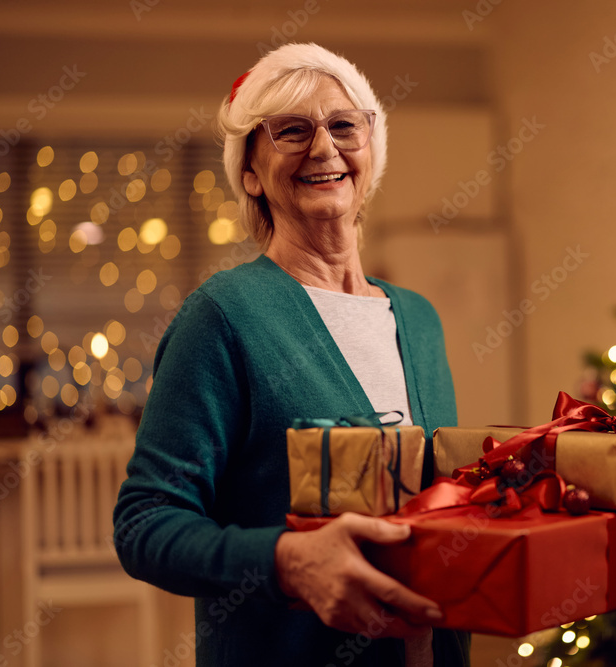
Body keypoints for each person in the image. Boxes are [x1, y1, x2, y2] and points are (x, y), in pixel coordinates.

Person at [113, 42, 470, 666]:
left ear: (370, 151)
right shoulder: (224, 317)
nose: (324, 148)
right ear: (251, 171)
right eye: (292, 131)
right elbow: (145, 524)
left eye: (343, 126)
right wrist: (286, 562)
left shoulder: (419, 318)